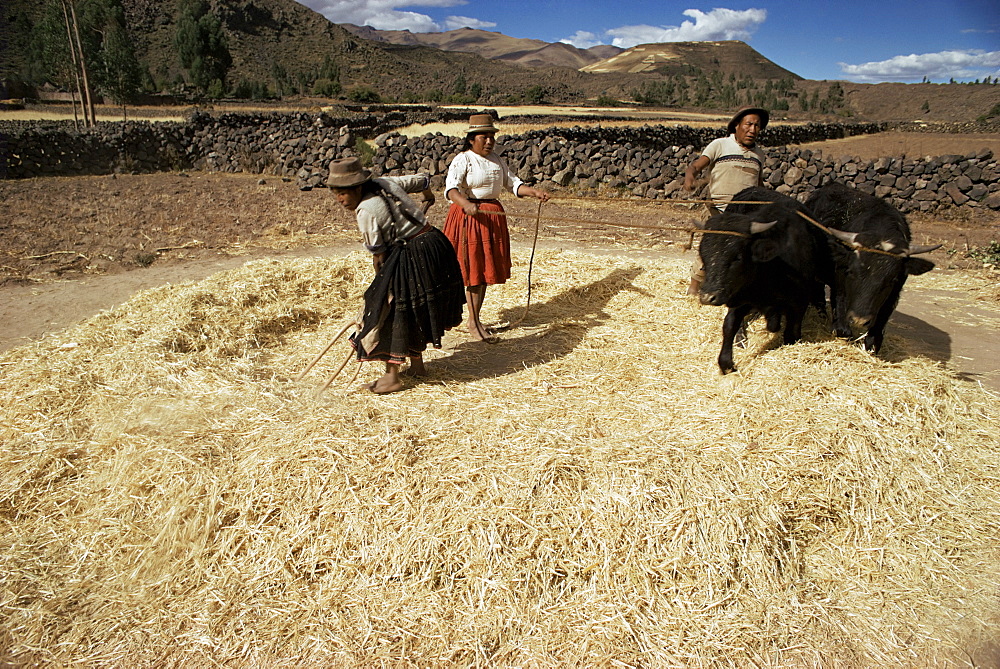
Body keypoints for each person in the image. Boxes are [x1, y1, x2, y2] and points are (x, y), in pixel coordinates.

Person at [327, 157, 465, 394]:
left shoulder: (365, 211)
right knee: (414, 307)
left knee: (392, 310)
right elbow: (422, 179)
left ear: (358, 187)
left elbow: (378, 255)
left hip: (414, 251)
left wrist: (381, 288)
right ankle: (417, 367)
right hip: (435, 243)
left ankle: (392, 377)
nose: (341, 200)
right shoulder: (385, 183)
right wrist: (428, 195)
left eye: (344, 193)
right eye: (337, 194)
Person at [443, 113, 550, 341]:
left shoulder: (497, 160)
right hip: (469, 220)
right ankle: (473, 324)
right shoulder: (464, 159)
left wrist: (534, 193)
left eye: (492, 136)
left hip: (491, 218)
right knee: (472, 272)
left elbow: (513, 184)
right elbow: (451, 189)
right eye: (484, 137)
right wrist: (465, 203)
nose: (490, 141)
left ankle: (476, 319)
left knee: (482, 272)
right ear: (472, 139)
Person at [683, 106, 769, 295]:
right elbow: (696, 166)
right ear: (736, 126)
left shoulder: (759, 155)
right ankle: (695, 285)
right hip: (718, 210)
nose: (753, 130)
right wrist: (690, 178)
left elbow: (758, 184)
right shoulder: (720, 145)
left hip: (744, 215)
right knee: (714, 248)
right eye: (748, 124)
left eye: (757, 126)